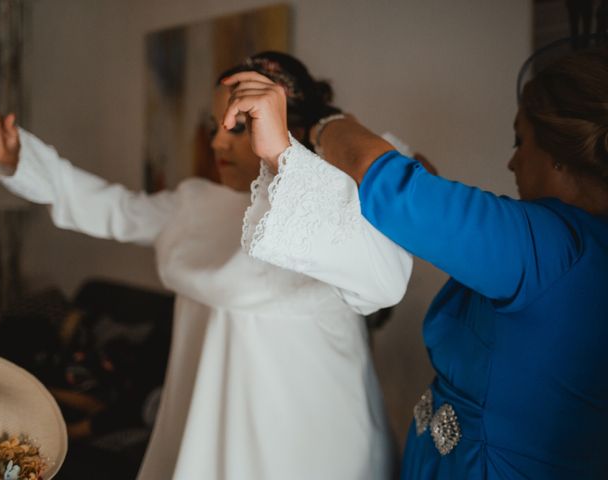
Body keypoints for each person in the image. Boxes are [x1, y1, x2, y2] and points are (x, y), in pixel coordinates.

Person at [0, 51, 413, 480]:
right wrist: (19, 159)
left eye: (239, 127)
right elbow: (113, 209)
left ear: (288, 126)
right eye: (215, 126)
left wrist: (305, 151)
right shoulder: (194, 204)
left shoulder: (339, 206)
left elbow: (384, 276)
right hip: (202, 428)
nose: (218, 142)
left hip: (311, 441)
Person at [220, 47, 608, 478]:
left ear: (558, 149)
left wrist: (310, 126)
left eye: (521, 140)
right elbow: (431, 204)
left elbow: (396, 189)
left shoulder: (555, 247)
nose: (512, 161)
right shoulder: (561, 248)